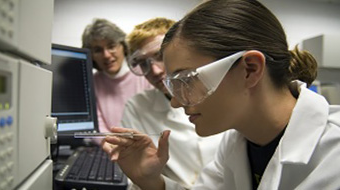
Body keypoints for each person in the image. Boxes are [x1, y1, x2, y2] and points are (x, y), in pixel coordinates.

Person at [102, 0, 340, 189]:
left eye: (187, 80)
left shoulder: (333, 155)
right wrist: (152, 182)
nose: (175, 102)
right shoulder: (237, 142)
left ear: (250, 69)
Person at [122, 17, 223, 189]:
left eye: (160, 56)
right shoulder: (138, 106)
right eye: (143, 63)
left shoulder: (223, 94)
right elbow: (137, 175)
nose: (154, 70)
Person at [82, 18, 151, 132]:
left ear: (123, 47)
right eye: (98, 50)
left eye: (111, 46)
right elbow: (96, 125)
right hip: (111, 146)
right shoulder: (91, 83)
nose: (106, 55)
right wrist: (112, 144)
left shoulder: (144, 74)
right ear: (91, 55)